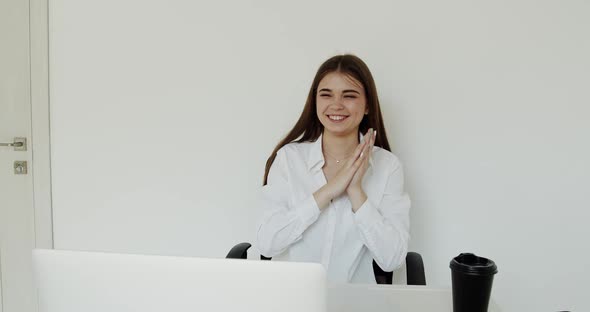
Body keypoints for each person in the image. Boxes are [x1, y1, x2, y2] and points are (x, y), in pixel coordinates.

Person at [256, 54, 410, 283]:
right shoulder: (289, 159)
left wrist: (356, 191)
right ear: (315, 102)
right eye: (326, 95)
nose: (336, 105)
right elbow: (267, 244)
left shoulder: (387, 166)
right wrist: (328, 191)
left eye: (349, 96)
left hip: (353, 302)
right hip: (291, 299)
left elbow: (392, 259)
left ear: (367, 105)